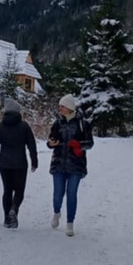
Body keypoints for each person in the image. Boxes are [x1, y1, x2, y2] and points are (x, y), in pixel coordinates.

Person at [0, 99, 39, 228]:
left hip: (4, 164)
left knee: (7, 190)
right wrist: (34, 161)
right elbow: (31, 145)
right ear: (18, 112)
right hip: (20, 163)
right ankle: (14, 209)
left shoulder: (0, 126)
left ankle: (6, 219)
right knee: (19, 190)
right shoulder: (24, 126)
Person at [46, 94, 94, 236]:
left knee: (71, 194)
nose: (59, 108)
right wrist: (50, 143)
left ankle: (70, 223)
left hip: (76, 165)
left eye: (62, 106)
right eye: (59, 106)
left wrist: (78, 145)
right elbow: (51, 140)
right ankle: (56, 212)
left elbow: (90, 143)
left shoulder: (82, 124)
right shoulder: (57, 123)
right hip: (58, 164)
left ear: (69, 107)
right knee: (57, 194)